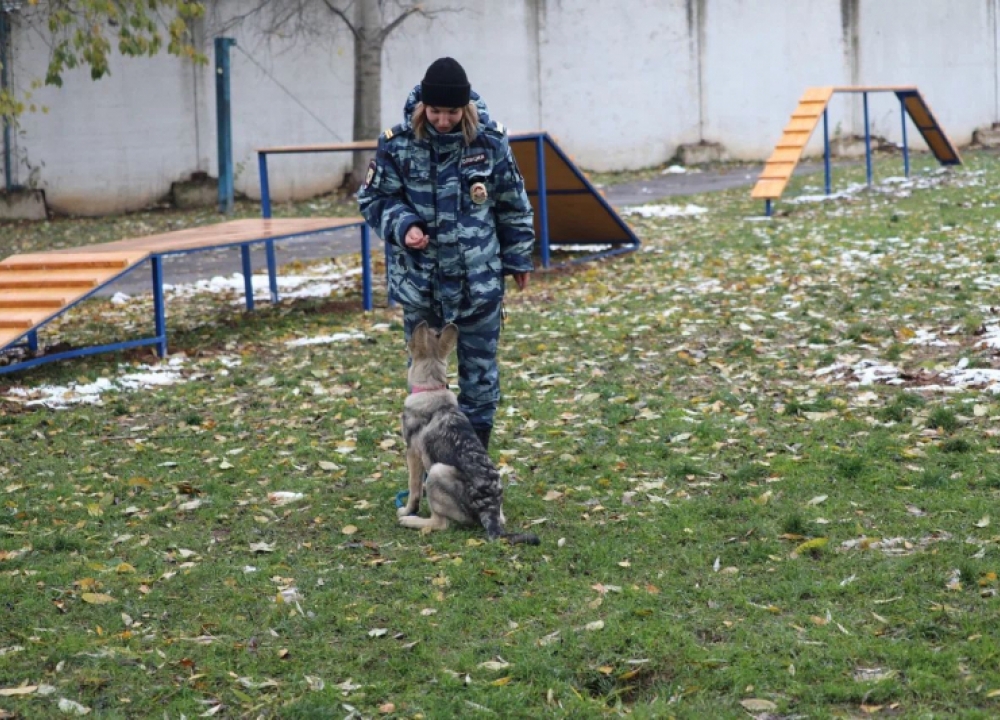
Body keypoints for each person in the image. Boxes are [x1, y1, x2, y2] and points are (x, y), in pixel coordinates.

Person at [357, 57, 534, 452]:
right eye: (435, 111)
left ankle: (473, 467)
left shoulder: (490, 141)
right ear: (423, 106)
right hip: (422, 285)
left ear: (465, 107)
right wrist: (404, 225)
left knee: (480, 377)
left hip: (479, 283)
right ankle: (429, 468)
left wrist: (519, 257)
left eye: (451, 112)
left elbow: (512, 203)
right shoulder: (398, 143)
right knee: (424, 384)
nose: (442, 120)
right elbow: (373, 198)